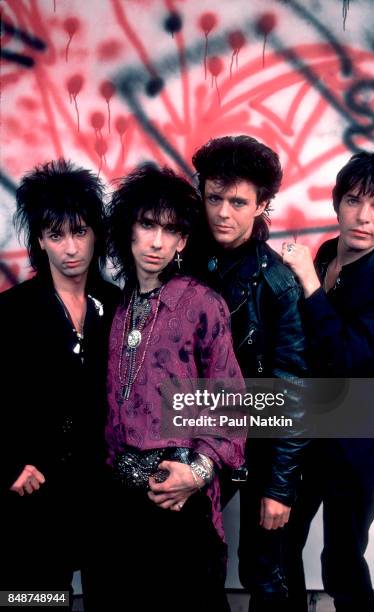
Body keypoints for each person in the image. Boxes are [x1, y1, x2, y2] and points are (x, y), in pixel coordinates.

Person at [102, 164, 245, 612]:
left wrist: (197, 474)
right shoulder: (117, 305)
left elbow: (232, 404)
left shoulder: (201, 303)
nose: (157, 241)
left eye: (170, 230)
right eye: (147, 225)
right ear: (130, 229)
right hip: (121, 504)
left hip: (180, 498)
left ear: (183, 241)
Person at [281, 149, 374, 611]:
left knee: (341, 563)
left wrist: (310, 287)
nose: (362, 216)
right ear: (337, 203)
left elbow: (347, 361)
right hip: (308, 433)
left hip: (354, 445)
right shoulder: (324, 254)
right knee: (279, 547)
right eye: (354, 200)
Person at [190, 135, 309, 612]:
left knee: (264, 570)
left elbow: (293, 389)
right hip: (197, 430)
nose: (223, 212)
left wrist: (279, 488)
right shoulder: (186, 260)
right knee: (196, 560)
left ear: (262, 205)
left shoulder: (277, 283)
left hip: (259, 435)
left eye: (238, 201)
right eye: (214, 198)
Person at [0, 160, 120, 608]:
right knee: (34, 600)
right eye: (56, 235)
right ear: (40, 242)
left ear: (96, 234)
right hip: (35, 494)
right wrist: (7, 465)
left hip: (104, 493)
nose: (70, 248)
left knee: (111, 597)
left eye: (80, 232)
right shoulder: (11, 312)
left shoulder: (119, 305)